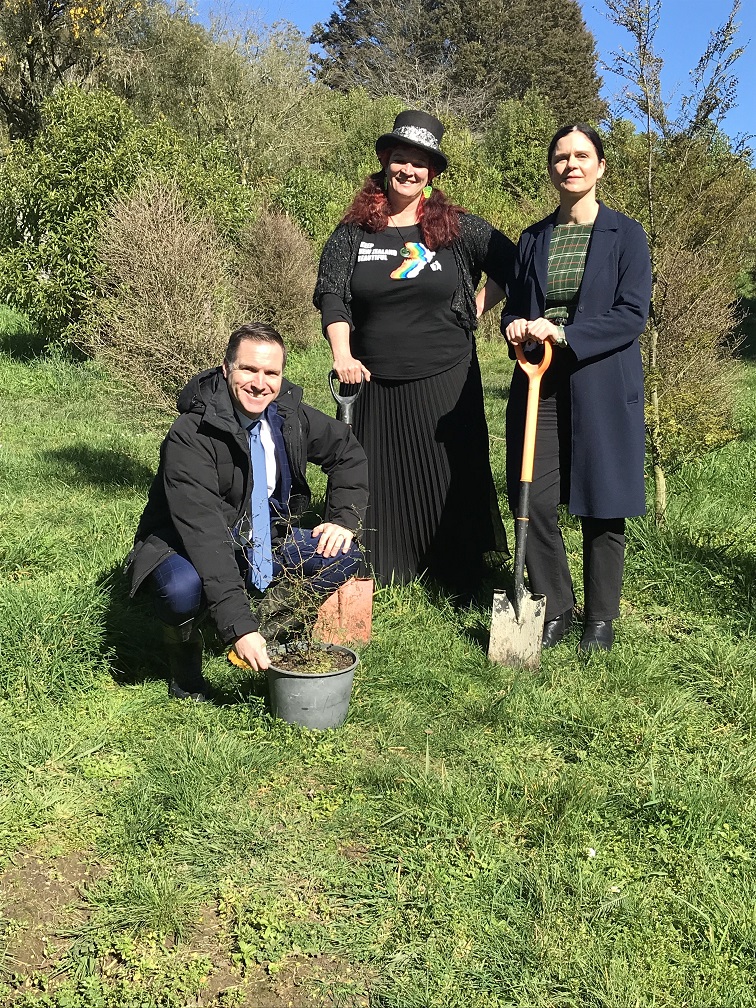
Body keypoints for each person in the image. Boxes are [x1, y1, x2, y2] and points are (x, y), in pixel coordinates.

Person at [314, 109, 515, 599]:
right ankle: (382, 567)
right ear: (385, 162)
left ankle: (454, 571)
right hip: (371, 377)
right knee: (376, 473)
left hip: (447, 376)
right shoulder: (353, 233)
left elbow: (515, 262)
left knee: (448, 473)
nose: (408, 170)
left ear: (432, 174)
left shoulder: (457, 229)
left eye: (419, 163)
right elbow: (332, 295)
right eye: (400, 159)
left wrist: (476, 307)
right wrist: (343, 353)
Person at [125, 322, 369, 701]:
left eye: (271, 373)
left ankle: (269, 633)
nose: (260, 383)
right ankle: (186, 673)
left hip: (261, 535)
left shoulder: (288, 417)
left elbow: (346, 451)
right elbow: (206, 537)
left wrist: (342, 519)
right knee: (181, 590)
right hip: (182, 543)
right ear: (226, 370)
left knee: (343, 554)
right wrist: (238, 626)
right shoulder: (190, 436)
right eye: (249, 370)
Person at [502, 123, 652, 652]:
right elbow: (517, 306)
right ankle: (556, 606)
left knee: (602, 501)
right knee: (534, 498)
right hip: (538, 384)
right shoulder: (533, 238)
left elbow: (632, 315)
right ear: (552, 169)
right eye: (562, 157)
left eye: (582, 155)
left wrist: (565, 332)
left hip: (602, 382)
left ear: (600, 166)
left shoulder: (627, 236)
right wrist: (516, 325)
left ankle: (601, 619)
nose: (571, 164)